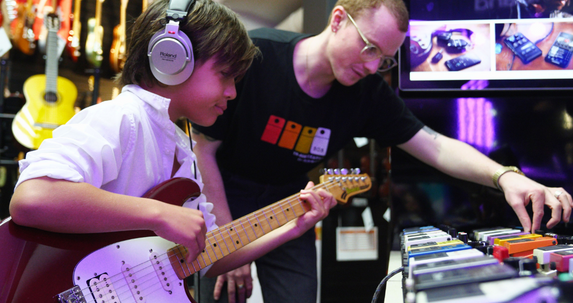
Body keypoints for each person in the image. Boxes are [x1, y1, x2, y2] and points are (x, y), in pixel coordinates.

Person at [191, 0, 573, 302]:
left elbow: (435, 145)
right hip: (223, 196)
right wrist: (228, 240)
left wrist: (505, 176)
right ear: (338, 19)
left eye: (385, 58)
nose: (373, 66)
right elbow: (203, 149)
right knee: (222, 291)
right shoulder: (257, 55)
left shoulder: (367, 95)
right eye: (369, 47)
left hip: (291, 203)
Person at [8, 0, 336, 283]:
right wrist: (159, 214)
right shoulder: (120, 118)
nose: (233, 92)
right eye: (225, 74)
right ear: (172, 59)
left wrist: (292, 226)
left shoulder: (180, 148)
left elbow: (208, 257)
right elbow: (32, 197)